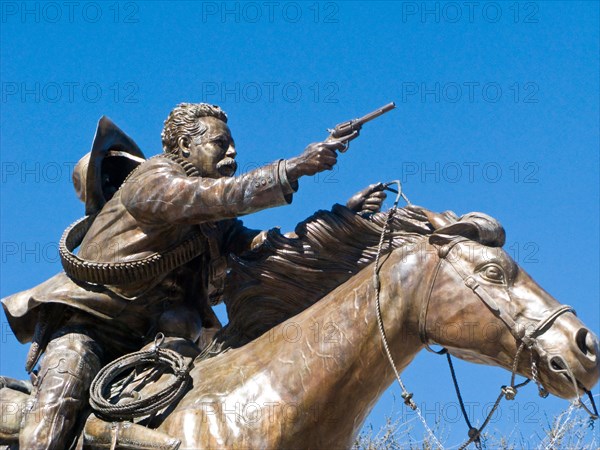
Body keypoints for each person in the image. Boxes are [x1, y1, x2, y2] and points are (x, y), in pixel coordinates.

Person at [2, 103, 386, 449]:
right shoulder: (153, 182)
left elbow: (267, 247)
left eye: (232, 144)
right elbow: (217, 197)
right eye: (221, 144)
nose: (232, 151)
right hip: (90, 328)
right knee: (58, 406)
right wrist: (294, 167)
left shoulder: (212, 224)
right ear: (185, 146)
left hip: (163, 343)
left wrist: (342, 220)